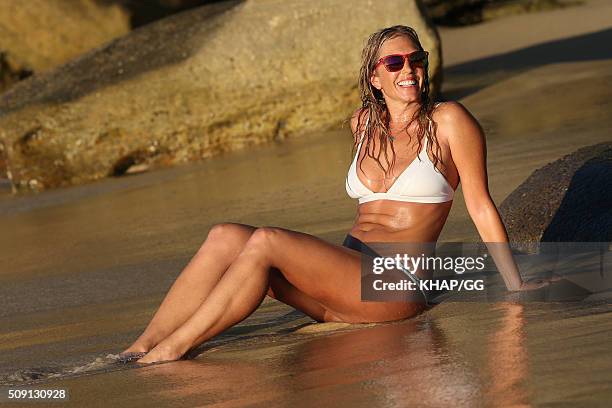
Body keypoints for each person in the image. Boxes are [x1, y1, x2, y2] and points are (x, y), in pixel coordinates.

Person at [121, 25, 555, 364]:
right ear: (375, 76)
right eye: (394, 62)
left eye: (416, 59)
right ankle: (141, 346)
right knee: (224, 235)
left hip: (394, 287)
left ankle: (174, 348)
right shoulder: (362, 124)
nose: (408, 70)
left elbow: (479, 203)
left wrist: (515, 284)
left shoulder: (449, 120)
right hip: (346, 287)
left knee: (267, 241)